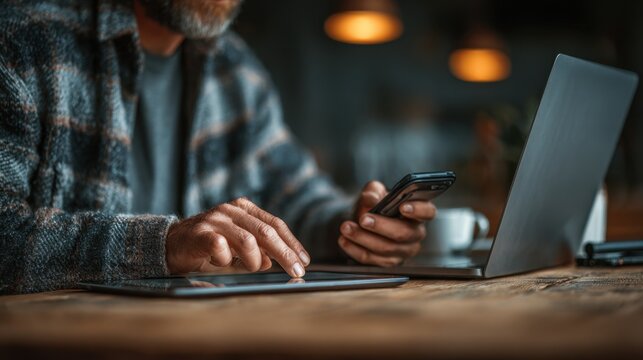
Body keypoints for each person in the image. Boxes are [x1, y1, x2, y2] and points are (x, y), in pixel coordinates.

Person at [0, 0, 436, 294]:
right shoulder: (20, 42)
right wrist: (163, 244)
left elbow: (300, 201)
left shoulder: (237, 71)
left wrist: (360, 229)